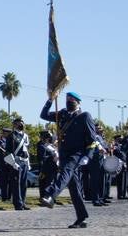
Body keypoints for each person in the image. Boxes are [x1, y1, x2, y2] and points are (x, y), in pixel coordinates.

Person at [37, 91, 101, 228]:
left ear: (78, 102)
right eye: (67, 99)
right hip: (64, 153)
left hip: (77, 154)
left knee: (65, 173)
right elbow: (43, 115)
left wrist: (88, 156)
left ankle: (50, 195)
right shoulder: (62, 114)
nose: (68, 101)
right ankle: (81, 217)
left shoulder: (84, 116)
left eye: (71, 100)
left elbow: (92, 139)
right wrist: (50, 100)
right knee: (74, 187)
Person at [7, 118, 32, 210]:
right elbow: (8, 151)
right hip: (16, 161)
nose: (21, 124)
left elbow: (26, 150)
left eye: (22, 123)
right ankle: (18, 204)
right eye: (18, 123)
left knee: (23, 184)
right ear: (14, 125)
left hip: (24, 161)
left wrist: (28, 162)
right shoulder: (11, 136)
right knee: (16, 184)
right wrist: (13, 163)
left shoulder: (25, 136)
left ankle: (23, 202)